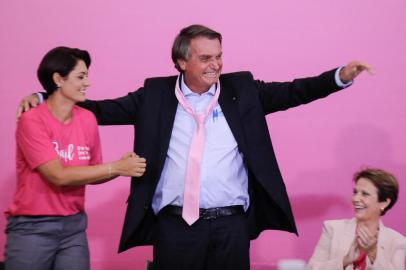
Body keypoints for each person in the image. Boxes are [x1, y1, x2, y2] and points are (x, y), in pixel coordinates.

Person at [17, 25, 373, 270]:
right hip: (175, 226)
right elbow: (102, 109)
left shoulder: (242, 89)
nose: (215, 64)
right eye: (205, 58)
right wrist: (44, 96)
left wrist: (339, 76)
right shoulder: (155, 94)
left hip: (231, 224)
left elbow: (294, 91)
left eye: (219, 56)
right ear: (181, 61)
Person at [6, 46, 146, 270]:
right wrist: (116, 167)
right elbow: (57, 175)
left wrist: (121, 167)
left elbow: (94, 172)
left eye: (87, 76)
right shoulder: (31, 120)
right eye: (81, 77)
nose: (87, 83)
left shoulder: (87, 119)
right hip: (33, 227)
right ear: (58, 79)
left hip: (74, 228)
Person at [306, 168, 406, 270]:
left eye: (365, 194)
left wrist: (373, 253)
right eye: (355, 192)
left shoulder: (397, 242)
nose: (355, 199)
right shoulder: (333, 229)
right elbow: (310, 268)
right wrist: (345, 260)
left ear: (384, 202)